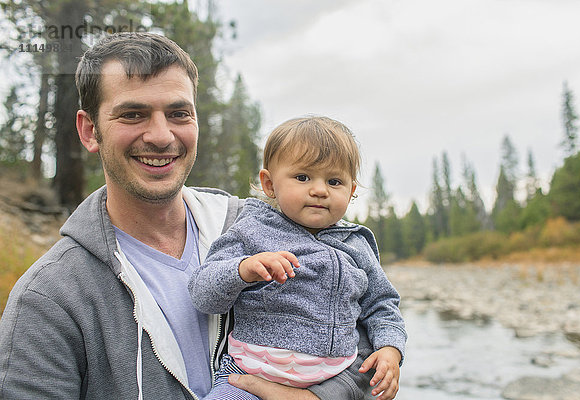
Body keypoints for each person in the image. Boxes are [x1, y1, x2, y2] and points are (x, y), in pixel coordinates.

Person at [0, 33, 377, 399]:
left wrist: (324, 397)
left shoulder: (262, 226)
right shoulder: (50, 297)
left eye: (179, 113)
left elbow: (361, 332)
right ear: (89, 130)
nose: (162, 136)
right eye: (133, 114)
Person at [189, 116, 407, 400]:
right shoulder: (251, 229)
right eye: (302, 177)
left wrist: (390, 349)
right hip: (247, 375)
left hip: (332, 379)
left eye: (334, 181)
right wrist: (242, 270)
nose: (319, 189)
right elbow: (202, 294)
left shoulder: (356, 245)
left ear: (351, 191)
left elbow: (381, 305)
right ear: (269, 184)